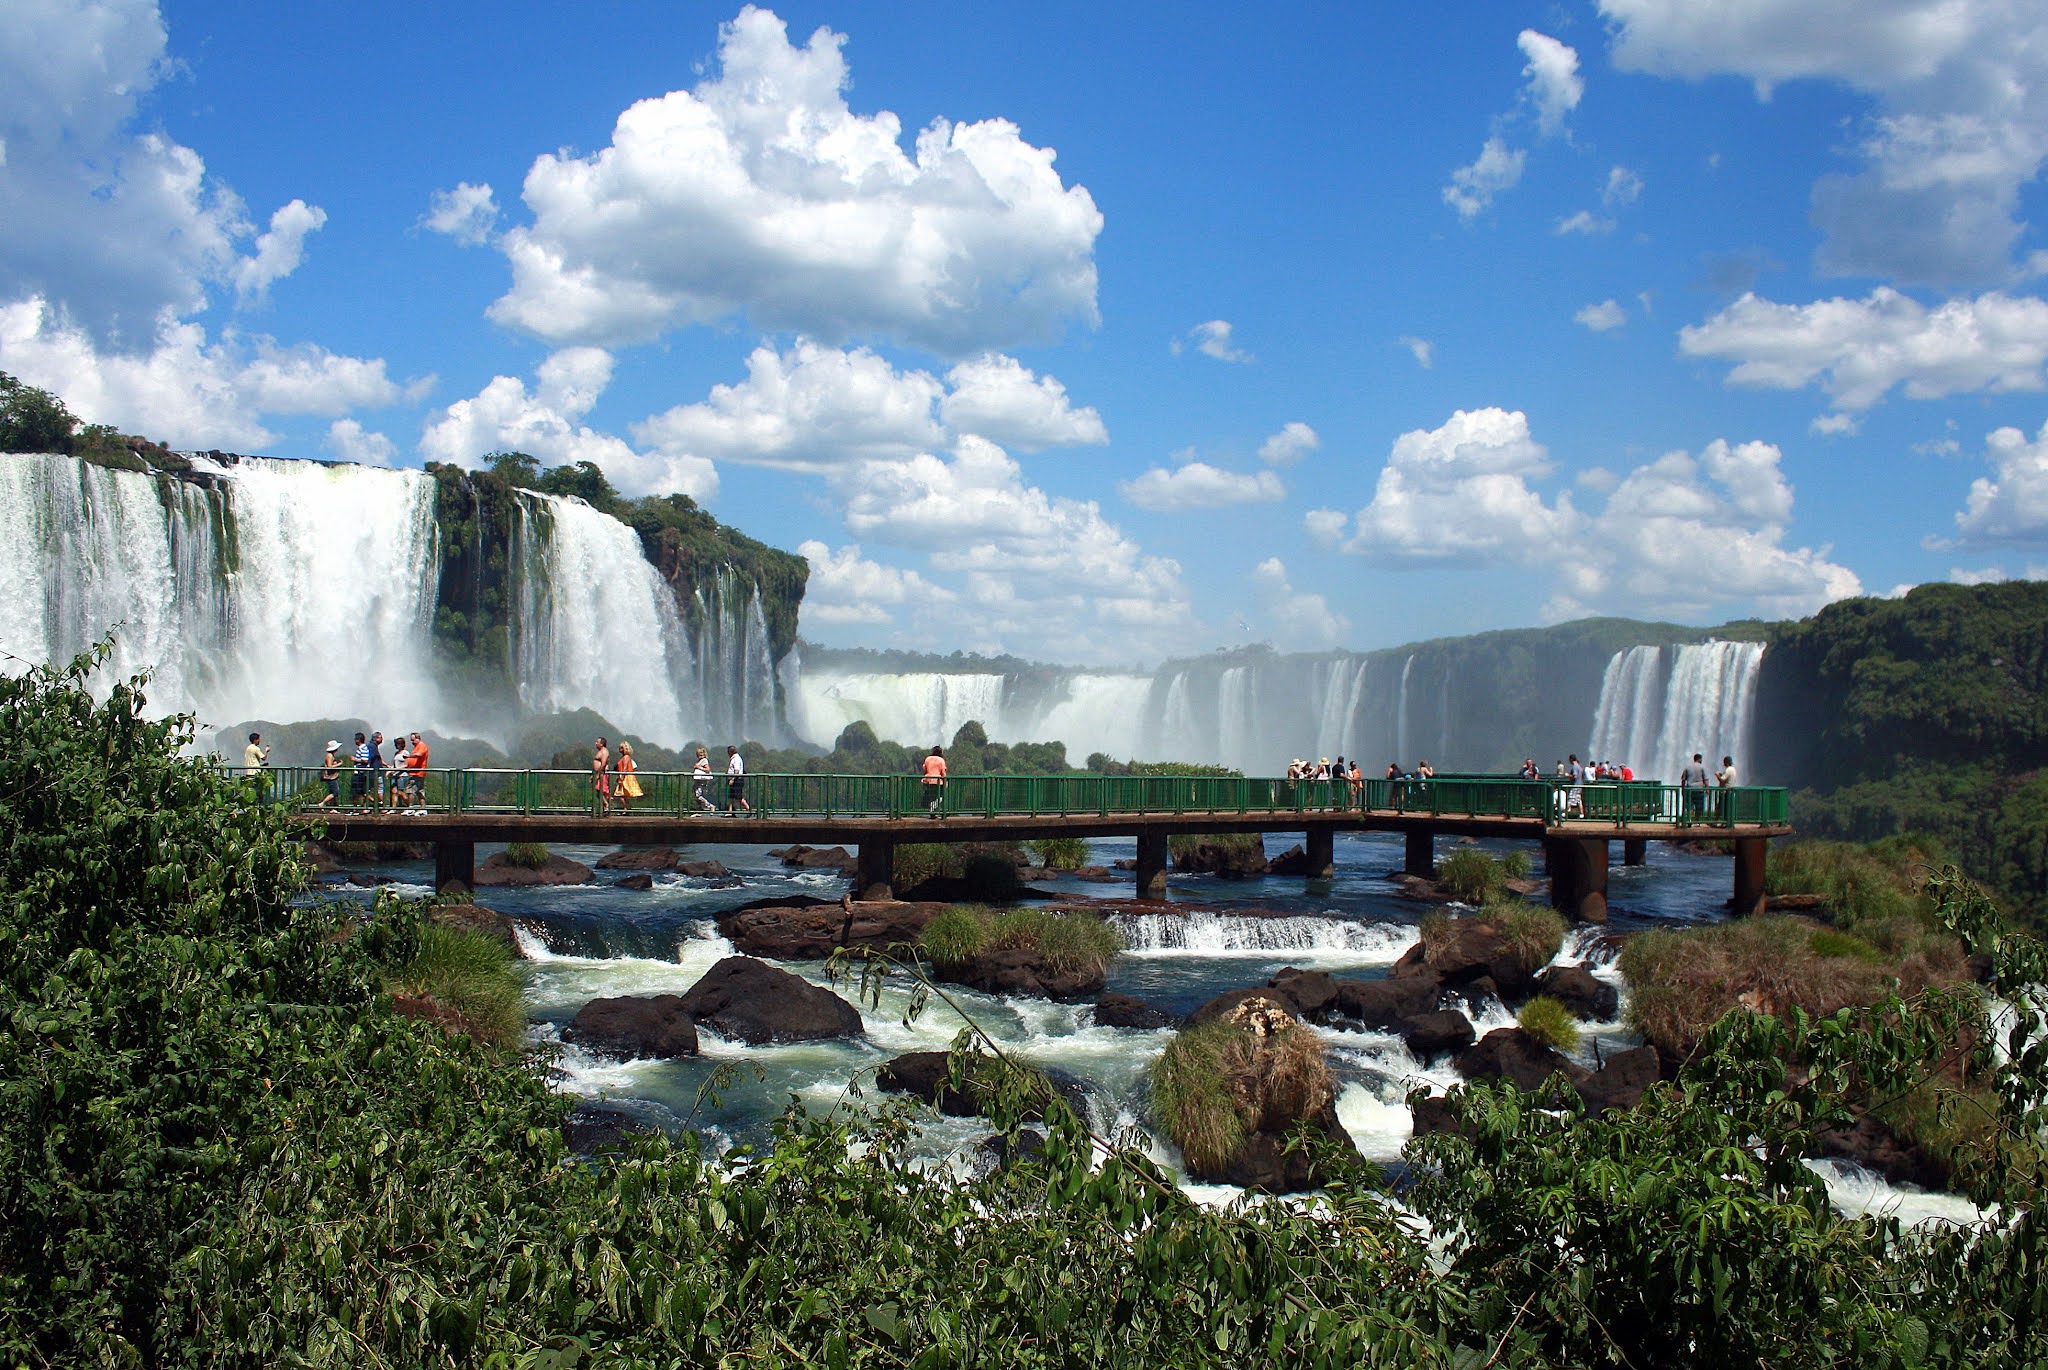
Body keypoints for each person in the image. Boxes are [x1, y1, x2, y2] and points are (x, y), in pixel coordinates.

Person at [404, 731, 430, 814]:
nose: (412, 742)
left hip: (417, 773)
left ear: (418, 739)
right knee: (419, 791)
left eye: (413, 740)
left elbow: (419, 755)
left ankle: (410, 808)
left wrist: (408, 756)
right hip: (414, 772)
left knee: (410, 790)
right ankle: (423, 808)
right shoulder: (416, 746)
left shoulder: (422, 746)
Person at [1679, 751, 1710, 820]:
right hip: (1699, 790)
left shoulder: (1687, 767)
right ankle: (1697, 821)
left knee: (1689, 806)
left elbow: (1683, 780)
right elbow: (1706, 780)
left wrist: (1683, 789)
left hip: (1689, 790)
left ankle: (1689, 820)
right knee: (1699, 806)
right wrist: (1707, 790)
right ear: (1700, 759)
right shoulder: (1703, 767)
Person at [241, 731, 270, 800]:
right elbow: (263, 758)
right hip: (254, 774)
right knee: (257, 791)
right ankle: (257, 807)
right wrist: (266, 751)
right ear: (255, 740)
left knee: (250, 791)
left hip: (248, 772)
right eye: (258, 739)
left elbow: (252, 761)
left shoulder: (248, 748)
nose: (259, 741)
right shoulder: (255, 748)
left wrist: (261, 765)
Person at [615, 741, 642, 812]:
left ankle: (626, 808)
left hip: (626, 777)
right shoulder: (624, 757)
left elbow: (625, 768)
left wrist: (621, 778)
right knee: (623, 794)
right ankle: (626, 808)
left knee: (620, 794)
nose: (619, 749)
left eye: (621, 747)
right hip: (624, 776)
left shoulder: (626, 757)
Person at [921, 745, 947, 818]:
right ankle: (933, 808)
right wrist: (946, 781)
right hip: (938, 781)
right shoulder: (941, 760)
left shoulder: (928, 759)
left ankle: (931, 810)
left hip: (927, 780)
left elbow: (924, 769)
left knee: (930, 795)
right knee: (940, 796)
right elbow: (943, 772)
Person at [726, 745, 751, 814]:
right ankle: (729, 812)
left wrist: (732, 779)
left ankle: (749, 809)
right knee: (731, 797)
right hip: (735, 779)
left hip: (737, 780)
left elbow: (736, 771)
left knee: (738, 797)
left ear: (731, 752)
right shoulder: (735, 758)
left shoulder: (736, 759)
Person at [691, 746, 717, 812]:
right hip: (698, 780)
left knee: (698, 795)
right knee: (695, 793)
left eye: (701, 754)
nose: (700, 755)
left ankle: (710, 806)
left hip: (701, 780)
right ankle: (699, 809)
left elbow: (708, 769)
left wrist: (699, 767)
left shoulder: (704, 760)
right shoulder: (699, 760)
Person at [350, 732, 371, 809]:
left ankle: (355, 809)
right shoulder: (362, 748)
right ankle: (370, 805)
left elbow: (365, 760)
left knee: (355, 792)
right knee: (362, 791)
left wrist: (355, 759)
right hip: (360, 772)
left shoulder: (363, 748)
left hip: (360, 773)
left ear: (358, 740)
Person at [318, 740, 341, 809]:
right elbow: (329, 766)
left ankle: (332, 808)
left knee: (332, 792)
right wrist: (339, 764)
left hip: (332, 776)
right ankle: (322, 803)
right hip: (331, 777)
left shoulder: (331, 755)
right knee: (335, 792)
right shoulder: (329, 755)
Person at [592, 737, 612, 815]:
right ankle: (604, 807)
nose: (595, 743)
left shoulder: (604, 751)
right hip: (598, 773)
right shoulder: (601, 751)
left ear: (601, 744)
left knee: (600, 790)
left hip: (602, 774)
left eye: (597, 742)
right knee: (598, 791)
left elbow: (603, 763)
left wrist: (598, 774)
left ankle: (606, 805)